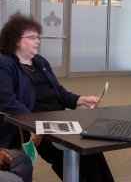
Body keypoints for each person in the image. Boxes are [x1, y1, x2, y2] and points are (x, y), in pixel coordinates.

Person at [0, 13, 114, 182]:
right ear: (15, 39)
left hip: (60, 119)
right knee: (69, 151)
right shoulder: (5, 63)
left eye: (38, 37)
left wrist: (81, 99)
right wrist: (30, 124)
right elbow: (6, 100)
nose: (37, 41)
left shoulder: (40, 62)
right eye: (32, 37)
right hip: (35, 125)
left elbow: (59, 92)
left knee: (91, 148)